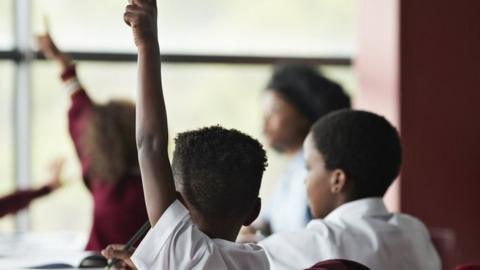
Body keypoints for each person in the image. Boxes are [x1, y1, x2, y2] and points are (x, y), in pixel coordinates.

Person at [100, 0, 270, 269]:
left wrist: (147, 44)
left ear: (179, 205)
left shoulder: (187, 252)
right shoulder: (256, 260)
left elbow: (151, 144)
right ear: (253, 212)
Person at [259, 110, 441, 270]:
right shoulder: (414, 232)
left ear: (337, 180)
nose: (305, 180)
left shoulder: (320, 241)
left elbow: (240, 260)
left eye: (309, 168)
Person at [36, 34, 148, 251]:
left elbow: (82, 111)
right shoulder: (158, 189)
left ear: (97, 142)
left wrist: (61, 62)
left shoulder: (100, 180)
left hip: (95, 263)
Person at [246, 64, 351, 237]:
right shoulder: (291, 168)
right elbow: (267, 222)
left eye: (273, 111)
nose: (264, 124)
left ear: (303, 114)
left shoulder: (321, 171)